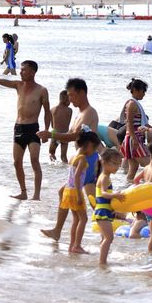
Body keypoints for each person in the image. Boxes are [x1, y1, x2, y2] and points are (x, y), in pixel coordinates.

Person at [0, 60, 52, 200]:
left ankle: (36, 195)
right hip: (18, 128)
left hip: (33, 129)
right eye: (21, 69)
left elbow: (48, 112)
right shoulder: (18, 85)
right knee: (17, 162)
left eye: (24, 70)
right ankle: (23, 192)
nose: (21, 72)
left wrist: (47, 130)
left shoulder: (41, 90)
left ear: (33, 72)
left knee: (34, 160)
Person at [42, 78, 102, 246]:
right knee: (69, 194)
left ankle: (112, 226)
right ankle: (58, 231)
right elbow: (69, 134)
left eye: (72, 95)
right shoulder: (80, 113)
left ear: (82, 93)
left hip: (88, 161)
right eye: (68, 96)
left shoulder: (89, 112)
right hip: (82, 160)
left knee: (91, 201)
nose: (70, 99)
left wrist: (51, 135)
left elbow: (75, 136)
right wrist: (53, 142)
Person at [63, 131, 100, 254]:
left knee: (76, 219)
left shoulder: (74, 156)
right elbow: (78, 177)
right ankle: (77, 245)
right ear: (89, 145)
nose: (93, 152)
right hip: (75, 192)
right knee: (83, 219)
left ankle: (72, 246)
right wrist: (79, 195)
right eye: (94, 149)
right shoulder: (83, 159)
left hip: (68, 190)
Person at [92, 148, 126, 265]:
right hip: (102, 212)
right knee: (109, 238)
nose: (117, 167)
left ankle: (101, 259)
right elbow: (103, 193)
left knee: (104, 238)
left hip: (104, 211)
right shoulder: (105, 177)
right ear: (104, 162)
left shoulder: (105, 176)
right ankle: (102, 262)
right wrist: (115, 195)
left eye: (119, 164)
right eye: (114, 163)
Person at [119, 78, 151, 182]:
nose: (144, 94)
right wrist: (134, 138)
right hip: (134, 138)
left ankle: (128, 187)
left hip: (132, 138)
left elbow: (142, 123)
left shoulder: (135, 103)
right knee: (149, 164)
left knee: (133, 169)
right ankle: (148, 186)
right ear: (137, 90)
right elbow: (129, 122)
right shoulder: (132, 104)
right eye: (143, 91)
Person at [49, 89, 72, 163]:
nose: (70, 102)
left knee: (51, 153)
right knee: (63, 156)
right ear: (66, 100)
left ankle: (54, 170)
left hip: (55, 134)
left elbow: (52, 125)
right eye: (69, 100)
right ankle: (65, 171)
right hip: (66, 135)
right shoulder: (69, 110)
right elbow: (68, 122)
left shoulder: (52, 110)